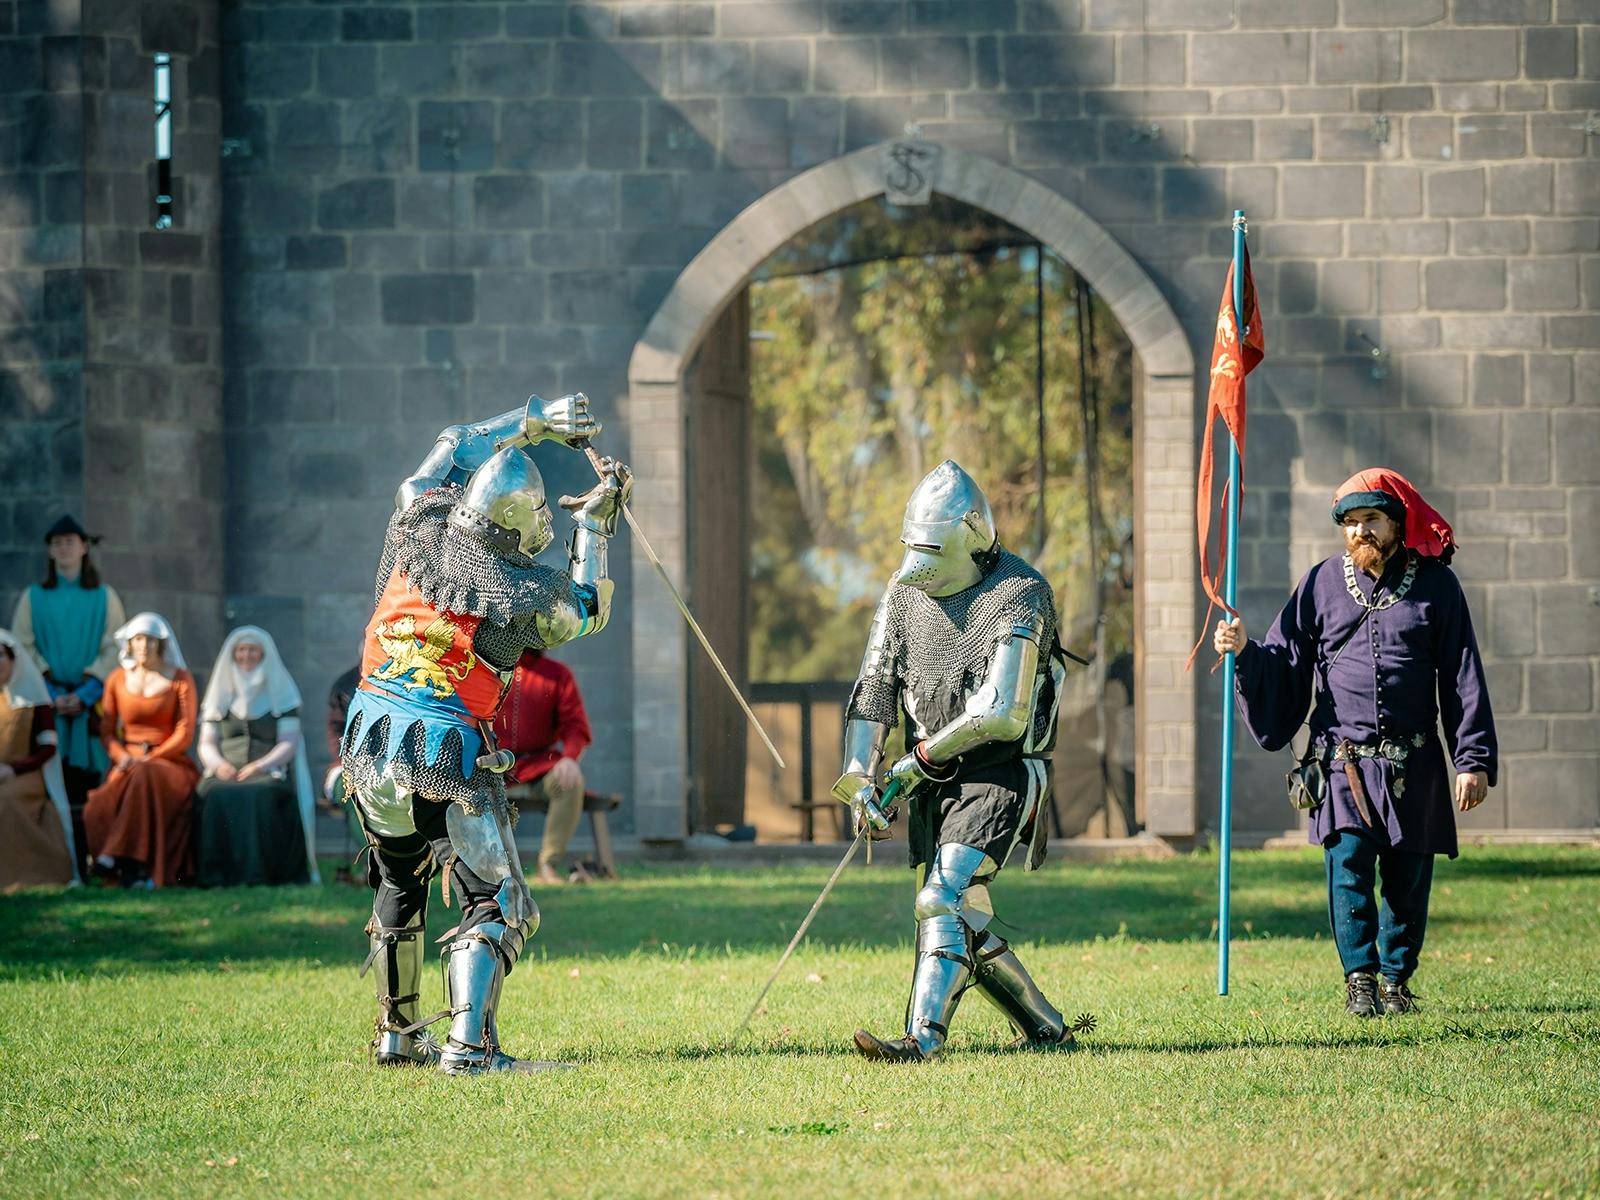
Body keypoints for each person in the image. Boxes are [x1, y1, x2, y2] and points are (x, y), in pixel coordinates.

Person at [340, 393, 631, 1074]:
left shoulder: (416, 520)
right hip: (443, 753)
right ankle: (469, 1049)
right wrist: (595, 526)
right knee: (497, 902)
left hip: (370, 741)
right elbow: (587, 609)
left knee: (399, 878)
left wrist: (536, 421)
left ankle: (399, 1035)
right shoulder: (520, 595)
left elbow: (452, 444)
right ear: (523, 524)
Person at [1214, 468, 1497, 1018]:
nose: (1360, 531)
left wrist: (1473, 759)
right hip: (1341, 762)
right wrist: (1246, 650)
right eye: (1349, 522)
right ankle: (1360, 979)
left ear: (1396, 523)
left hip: (1415, 762)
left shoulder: (1438, 587)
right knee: (1347, 868)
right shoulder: (1320, 583)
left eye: (1371, 519)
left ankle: (1395, 980)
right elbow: (1286, 661)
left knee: (1408, 880)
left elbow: (1463, 674)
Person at [834, 461, 1086, 1062]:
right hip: (931, 780)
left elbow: (1003, 712)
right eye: (914, 547)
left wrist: (919, 760)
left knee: (940, 899)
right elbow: (874, 688)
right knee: (959, 914)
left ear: (970, 536)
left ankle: (922, 1041)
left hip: (1000, 772)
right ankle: (1046, 1027)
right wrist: (860, 777)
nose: (918, 563)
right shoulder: (903, 594)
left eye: (931, 549)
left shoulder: (1020, 591)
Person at [10, 514, 125, 871]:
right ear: (49, 551)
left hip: (89, 704)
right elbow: (23, 647)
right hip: (49, 702)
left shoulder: (104, 596)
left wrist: (86, 692)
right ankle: (59, 862)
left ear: (84, 547)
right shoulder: (33, 597)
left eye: (70, 542)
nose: (63, 549)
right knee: (52, 779)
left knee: (90, 783)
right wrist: (51, 691)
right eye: (57, 543)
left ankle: (93, 861)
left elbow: (114, 646)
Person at [194, 626, 318, 887]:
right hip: (225, 770)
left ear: (263, 654)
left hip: (268, 770)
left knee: (260, 796)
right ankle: (215, 875)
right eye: (241, 650)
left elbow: (289, 743)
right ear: (233, 654)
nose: (246, 655)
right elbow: (206, 742)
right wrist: (218, 765)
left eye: (252, 650)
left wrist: (261, 765)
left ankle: (258, 874)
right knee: (212, 794)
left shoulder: (281, 693)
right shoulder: (219, 694)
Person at [82, 613, 199, 888]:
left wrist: (151, 758)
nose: (144, 646)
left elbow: (184, 732)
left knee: (145, 774)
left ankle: (112, 855)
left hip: (169, 762)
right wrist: (122, 756)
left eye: (150, 640)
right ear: (129, 644)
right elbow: (107, 730)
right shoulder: (116, 679)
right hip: (127, 762)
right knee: (97, 805)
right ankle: (128, 867)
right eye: (138, 640)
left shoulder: (180, 679)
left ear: (161, 644)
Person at [495, 647, 593, 885]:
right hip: (491, 767)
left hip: (537, 766)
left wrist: (570, 757)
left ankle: (548, 865)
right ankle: (488, 873)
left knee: (569, 783)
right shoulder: (486, 669)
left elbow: (574, 726)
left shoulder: (557, 674)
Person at [0, 629, 75, 889]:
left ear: (13, 660)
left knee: (5, 800)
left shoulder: (35, 700)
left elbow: (48, 747)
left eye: (1, 655)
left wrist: (13, 769)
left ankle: (20, 875)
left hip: (26, 775)